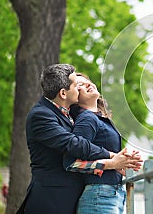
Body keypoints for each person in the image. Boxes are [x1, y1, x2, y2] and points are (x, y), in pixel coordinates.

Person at [19, 64, 141, 214]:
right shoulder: (41, 115)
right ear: (63, 93)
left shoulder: (68, 115)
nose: (81, 87)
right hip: (52, 201)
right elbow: (74, 144)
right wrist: (112, 158)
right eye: (77, 85)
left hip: (73, 198)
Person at [63, 73, 141, 214]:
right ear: (73, 96)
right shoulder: (87, 119)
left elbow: (93, 153)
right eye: (79, 84)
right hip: (100, 196)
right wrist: (113, 163)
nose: (87, 84)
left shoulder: (98, 118)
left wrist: (122, 163)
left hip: (111, 195)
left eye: (87, 81)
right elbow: (71, 162)